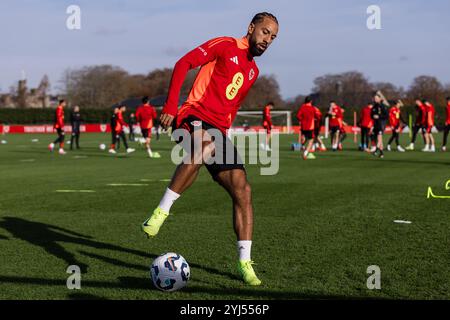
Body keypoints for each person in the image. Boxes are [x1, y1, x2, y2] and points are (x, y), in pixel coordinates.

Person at [140, 12, 279, 286]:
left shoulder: (253, 71)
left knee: (243, 189)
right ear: (251, 28)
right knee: (204, 144)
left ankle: (244, 262)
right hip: (191, 115)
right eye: (265, 32)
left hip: (217, 131)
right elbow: (183, 64)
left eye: (273, 37)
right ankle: (160, 212)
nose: (268, 40)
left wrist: (224, 134)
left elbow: (231, 105)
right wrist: (170, 106)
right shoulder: (225, 45)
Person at [370, 92, 389, 158]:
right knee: (379, 139)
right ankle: (381, 153)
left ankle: (376, 150)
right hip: (376, 124)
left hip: (381, 124)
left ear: (380, 99)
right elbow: (371, 115)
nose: (375, 99)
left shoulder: (383, 106)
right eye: (374, 98)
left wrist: (379, 116)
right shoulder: (374, 106)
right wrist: (373, 116)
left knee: (379, 138)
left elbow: (386, 116)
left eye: (376, 98)